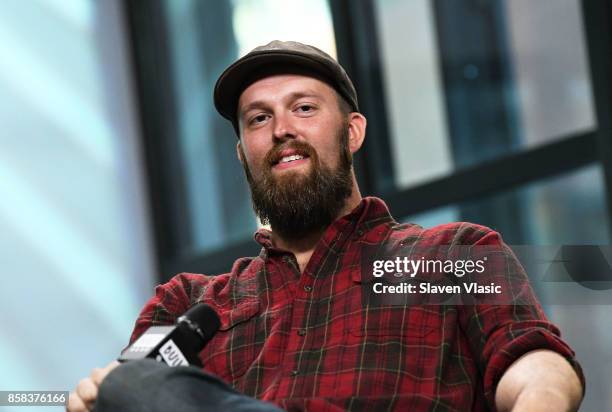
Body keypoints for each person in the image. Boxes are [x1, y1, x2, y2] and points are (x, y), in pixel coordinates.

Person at [68, 40, 584, 412]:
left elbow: (530, 358)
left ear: (352, 132)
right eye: (258, 119)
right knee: (128, 385)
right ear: (243, 153)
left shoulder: (446, 255)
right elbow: (131, 393)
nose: (283, 130)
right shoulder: (189, 302)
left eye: (305, 108)